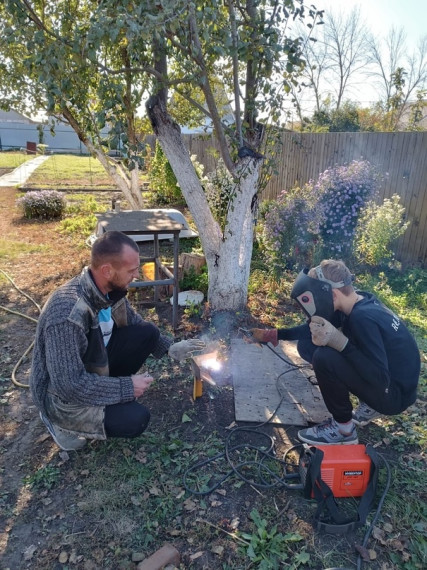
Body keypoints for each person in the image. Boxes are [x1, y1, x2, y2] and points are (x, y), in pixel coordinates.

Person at [30, 230, 205, 451]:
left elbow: (134, 323)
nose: (137, 276)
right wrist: (126, 387)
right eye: (132, 271)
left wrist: (170, 348)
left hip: (92, 365)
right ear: (107, 270)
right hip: (61, 398)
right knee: (135, 419)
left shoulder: (109, 290)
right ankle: (59, 424)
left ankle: (103, 391)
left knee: (147, 332)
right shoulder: (67, 314)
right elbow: (69, 385)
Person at [250, 259, 420, 445]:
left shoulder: (361, 319)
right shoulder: (358, 300)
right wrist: (274, 335)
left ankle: (343, 430)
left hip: (394, 396)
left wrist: (342, 344)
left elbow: (380, 379)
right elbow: (313, 330)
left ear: (331, 295)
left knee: (324, 358)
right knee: (307, 346)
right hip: (396, 383)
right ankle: (368, 404)